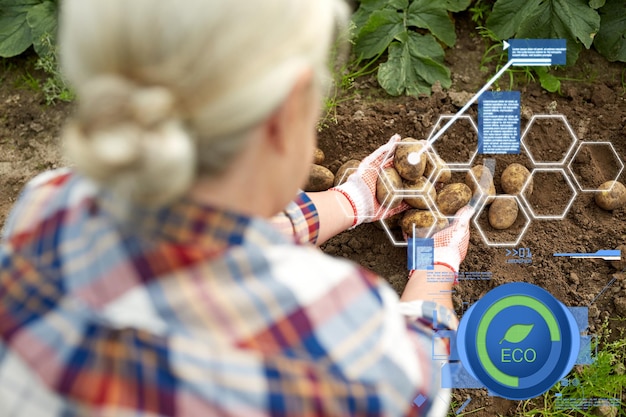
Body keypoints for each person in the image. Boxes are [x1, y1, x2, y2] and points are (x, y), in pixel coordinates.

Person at [0, 0, 473, 415]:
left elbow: (197, 231)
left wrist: (351, 200)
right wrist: (437, 268)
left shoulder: (47, 203)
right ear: (286, 115)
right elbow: (419, 379)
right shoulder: (328, 324)